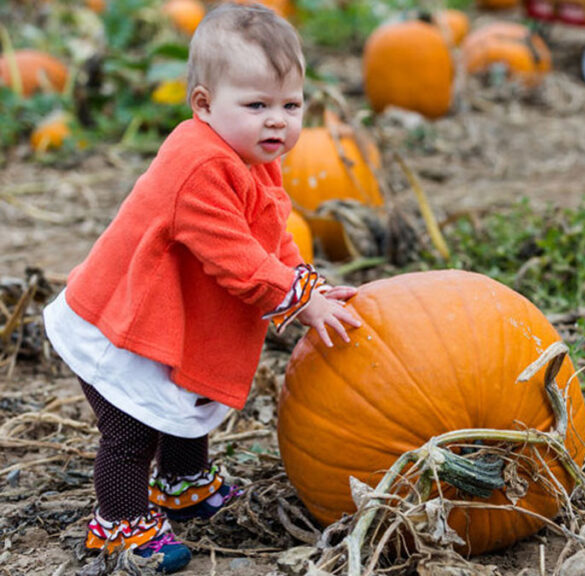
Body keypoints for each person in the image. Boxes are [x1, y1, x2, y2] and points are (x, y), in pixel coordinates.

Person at [42, 3, 361, 572]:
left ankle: (184, 482)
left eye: (291, 105)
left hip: (165, 319)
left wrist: (305, 283)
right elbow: (237, 257)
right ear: (204, 105)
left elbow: (269, 230)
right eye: (257, 105)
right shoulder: (199, 165)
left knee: (185, 401)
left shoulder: (251, 156)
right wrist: (294, 298)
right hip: (121, 324)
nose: (277, 122)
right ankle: (120, 526)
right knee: (132, 430)